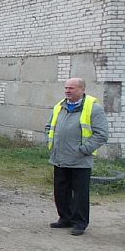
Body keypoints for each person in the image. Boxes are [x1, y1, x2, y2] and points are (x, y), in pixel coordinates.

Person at [46, 77, 108, 236]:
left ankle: (80, 223)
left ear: (82, 89)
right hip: (60, 158)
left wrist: (84, 149)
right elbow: (49, 126)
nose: (67, 91)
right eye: (66, 88)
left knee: (80, 194)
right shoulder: (60, 106)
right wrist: (51, 142)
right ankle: (65, 218)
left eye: (71, 88)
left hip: (80, 160)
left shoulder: (94, 108)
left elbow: (101, 134)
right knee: (61, 191)